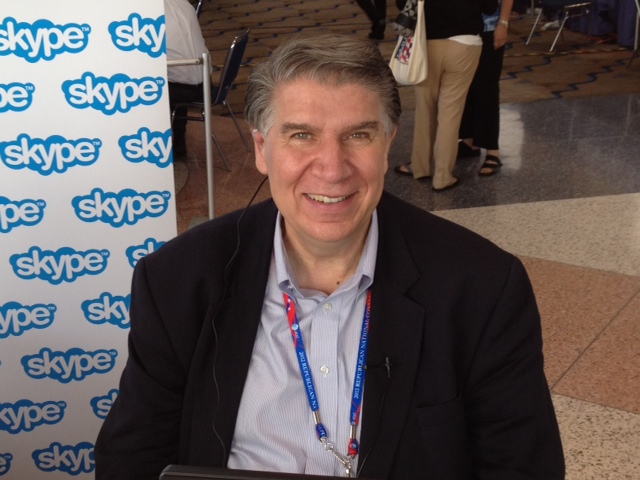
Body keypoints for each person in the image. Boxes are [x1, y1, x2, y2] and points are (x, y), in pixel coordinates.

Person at [94, 33, 565, 479]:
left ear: (387, 145)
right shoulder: (177, 280)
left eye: (358, 135)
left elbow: (523, 468)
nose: (332, 168)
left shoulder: (482, 286)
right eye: (302, 135)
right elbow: (131, 461)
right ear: (262, 149)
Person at [393, 0, 490, 191]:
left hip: (426, 44)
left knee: (425, 110)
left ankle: (420, 167)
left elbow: (401, 3)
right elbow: (490, 6)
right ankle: (443, 177)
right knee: (450, 115)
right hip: (465, 44)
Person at [458, 0, 514, 176]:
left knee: (487, 87)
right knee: (466, 85)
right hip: (463, 27)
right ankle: (469, 140)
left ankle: (492, 150)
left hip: (490, 26)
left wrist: (503, 23)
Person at [165, 0, 209, 157]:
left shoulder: (151, 15)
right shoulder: (185, 4)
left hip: (181, 89)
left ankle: (156, 147)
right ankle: (179, 140)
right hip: (205, 84)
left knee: (146, 86)